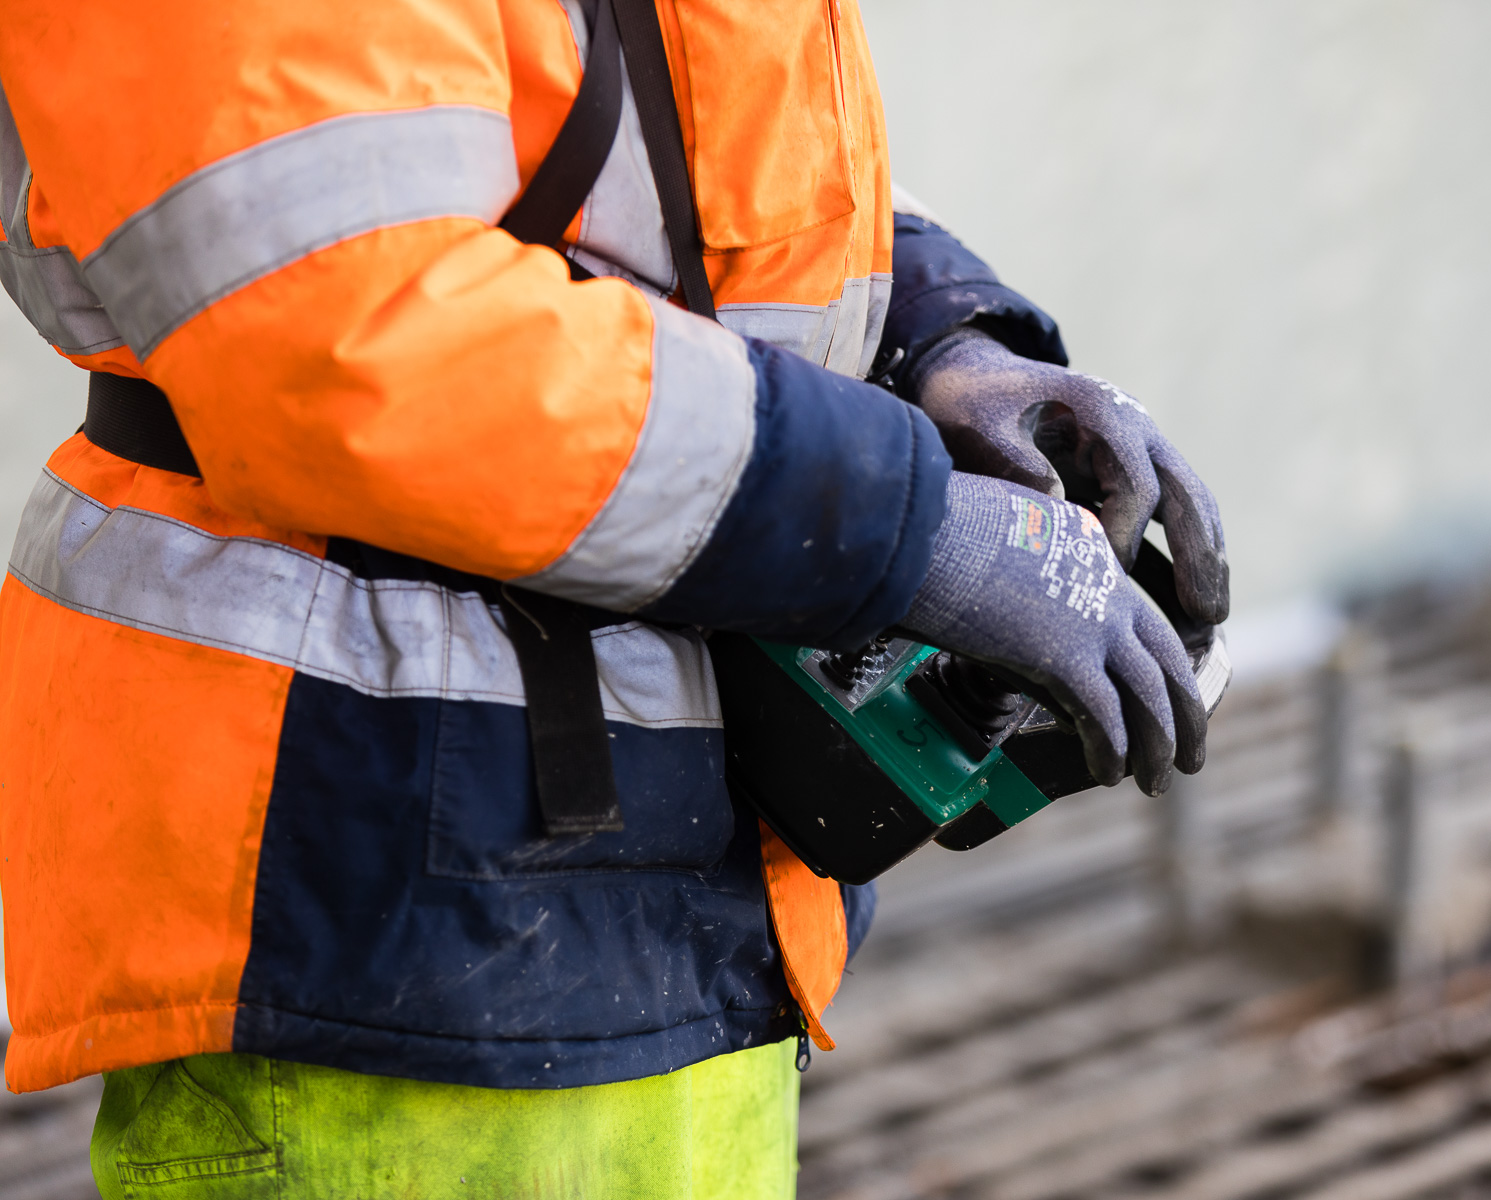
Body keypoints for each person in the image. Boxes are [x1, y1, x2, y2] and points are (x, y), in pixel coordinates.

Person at [0, 1, 1228, 1195]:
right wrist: (901, 523)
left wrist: (939, 337)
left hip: (686, 910)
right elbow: (356, 334)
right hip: (363, 896)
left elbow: (703, 171)